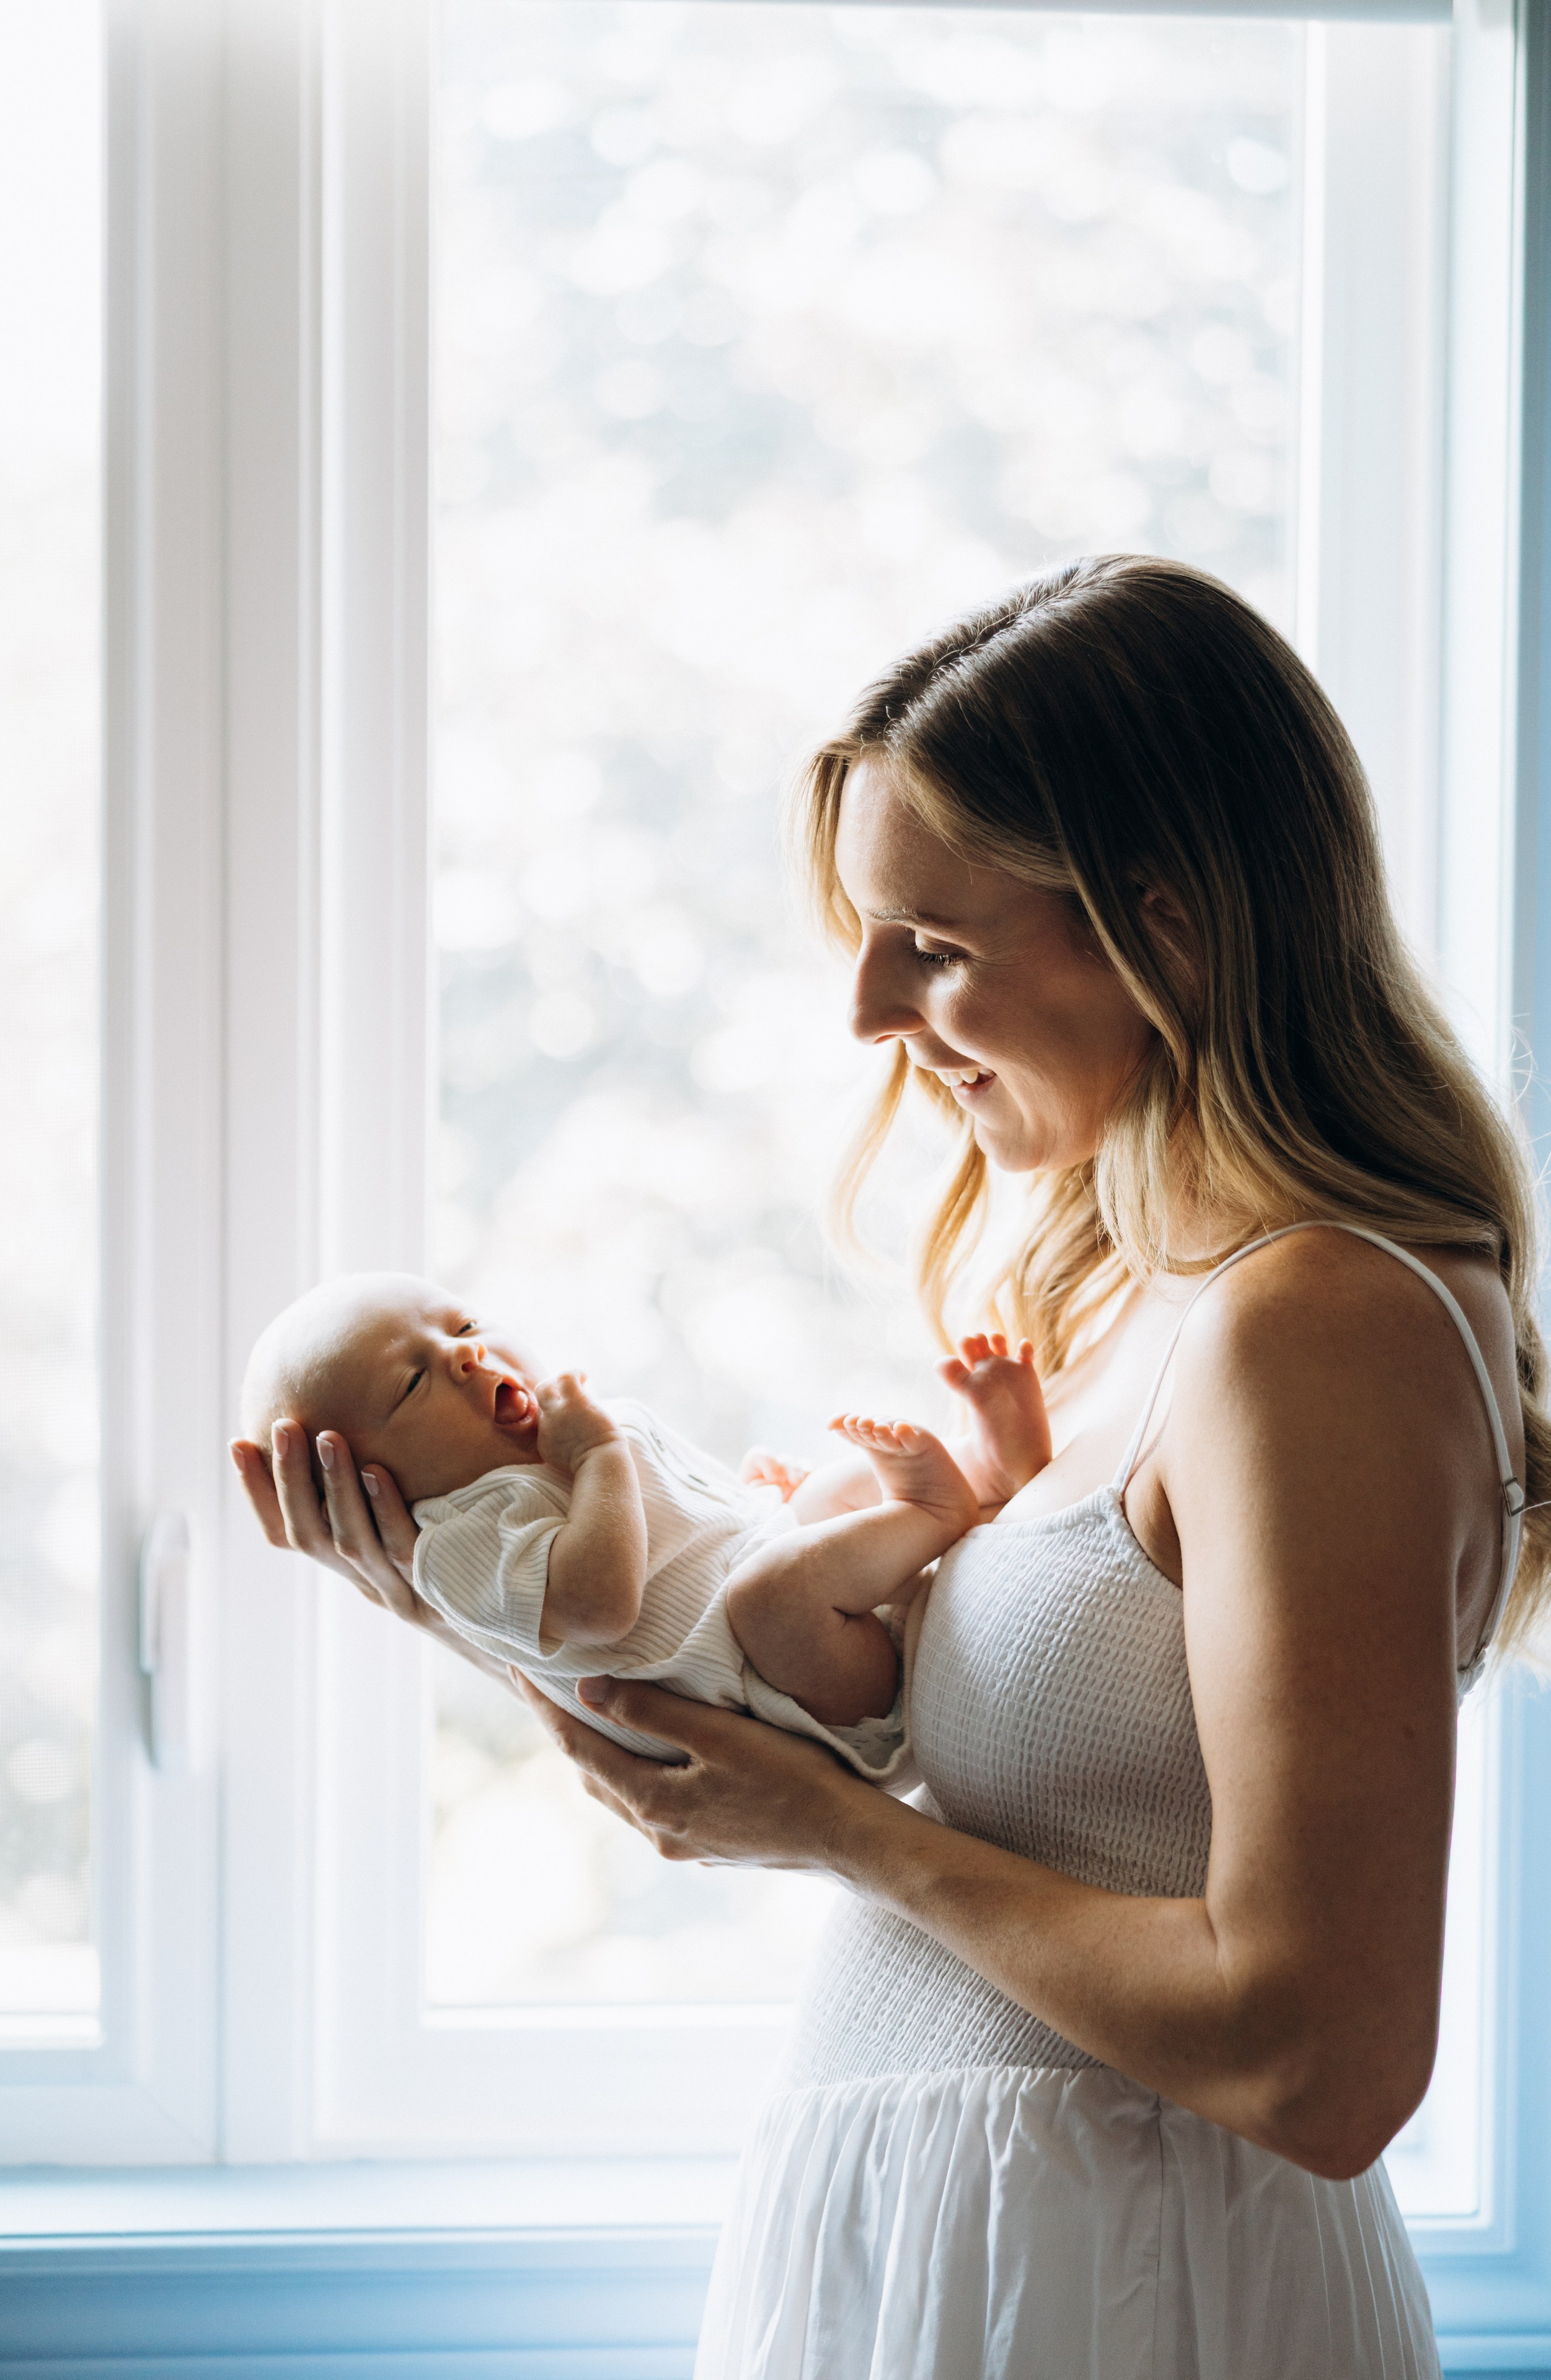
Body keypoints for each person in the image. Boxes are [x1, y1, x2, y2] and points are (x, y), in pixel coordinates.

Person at [234, 555, 1549, 2378]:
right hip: (989, 2255)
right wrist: (477, 1606)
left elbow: (1317, 2057)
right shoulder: (1135, 1300)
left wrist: (843, 1838)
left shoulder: (1316, 1325)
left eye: (931, 943)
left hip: (1125, 2292)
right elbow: (905, 1774)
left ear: (1168, 930)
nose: (865, 1007)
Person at [235, 1270, 1050, 1771]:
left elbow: (675, 1550)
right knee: (772, 1588)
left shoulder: (566, 1437)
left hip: (798, 1645)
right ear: (377, 1483)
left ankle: (988, 1479)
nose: (464, 1356)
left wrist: (741, 1499)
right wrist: (600, 1461)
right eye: (414, 1383)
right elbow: (602, 1604)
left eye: (465, 1327)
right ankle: (938, 1507)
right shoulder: (459, 1544)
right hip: (796, 1714)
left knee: (818, 1501)